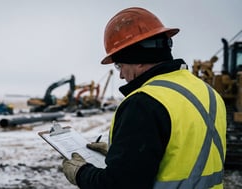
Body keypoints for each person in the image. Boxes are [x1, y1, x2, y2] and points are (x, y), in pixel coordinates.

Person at [62, 7, 226, 189]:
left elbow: (119, 185)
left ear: (138, 59)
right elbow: (184, 152)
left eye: (119, 65)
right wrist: (123, 154)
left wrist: (81, 173)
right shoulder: (208, 93)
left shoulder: (144, 103)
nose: (121, 76)